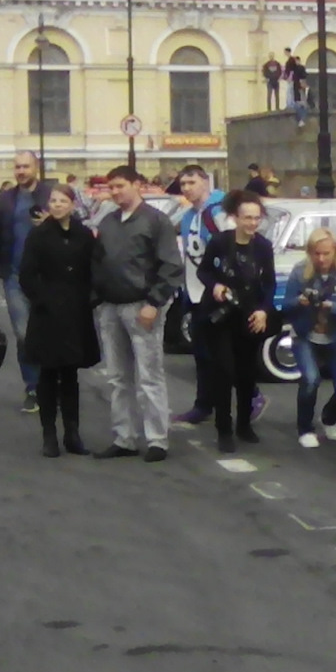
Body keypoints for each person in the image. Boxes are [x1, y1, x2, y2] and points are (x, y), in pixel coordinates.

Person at [90, 167, 183, 462]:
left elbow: (171, 266)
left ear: (137, 185)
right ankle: (124, 437)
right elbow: (97, 262)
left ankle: (157, 439)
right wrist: (97, 298)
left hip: (141, 306)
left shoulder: (156, 221)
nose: (115, 192)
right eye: (111, 187)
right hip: (110, 307)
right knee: (118, 377)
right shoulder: (108, 222)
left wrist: (154, 302)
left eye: (120, 186)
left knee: (149, 376)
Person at [18, 183, 99, 458]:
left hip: (76, 312)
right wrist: (42, 299)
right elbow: (26, 275)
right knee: (48, 375)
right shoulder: (39, 235)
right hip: (47, 314)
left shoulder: (84, 235)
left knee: (71, 375)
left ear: (73, 205)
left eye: (62, 201)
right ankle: (49, 435)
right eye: (53, 201)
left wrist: (89, 297)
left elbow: (93, 269)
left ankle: (73, 434)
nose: (57, 205)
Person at [198, 190, 275, 454]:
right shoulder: (220, 242)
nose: (252, 223)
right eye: (247, 218)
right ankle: (223, 428)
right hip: (221, 316)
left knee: (246, 373)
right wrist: (216, 285)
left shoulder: (263, 246)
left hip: (250, 315)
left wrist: (264, 310)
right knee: (224, 371)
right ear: (235, 218)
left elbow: (269, 282)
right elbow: (203, 270)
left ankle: (244, 424)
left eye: (256, 218)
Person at [0, 151, 53, 413]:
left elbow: (74, 227)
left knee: (49, 333)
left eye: (26, 166)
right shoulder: (5, 200)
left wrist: (53, 222)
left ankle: (50, 383)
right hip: (14, 275)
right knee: (24, 334)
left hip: (48, 277)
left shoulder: (50, 195)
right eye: (17, 167)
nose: (21, 171)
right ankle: (32, 387)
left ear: (36, 168)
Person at [283, 227, 336, 448]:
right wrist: (300, 302)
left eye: (326, 253)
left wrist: (333, 306)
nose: (321, 258)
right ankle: (305, 428)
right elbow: (285, 306)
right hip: (305, 334)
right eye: (316, 253)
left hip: (334, 335)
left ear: (335, 252)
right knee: (310, 380)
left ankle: (329, 418)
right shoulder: (299, 271)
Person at [171, 164, 228, 427]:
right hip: (193, 292)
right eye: (183, 184)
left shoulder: (219, 211)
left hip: (216, 292)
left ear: (205, 182)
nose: (186, 189)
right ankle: (203, 404)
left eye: (191, 183)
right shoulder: (187, 216)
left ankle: (251, 397)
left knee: (222, 353)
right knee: (202, 354)